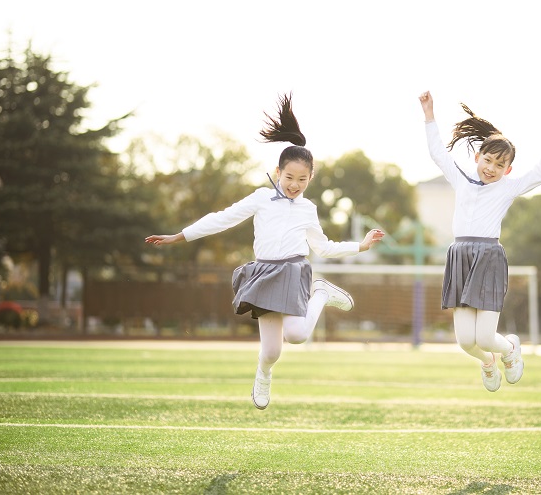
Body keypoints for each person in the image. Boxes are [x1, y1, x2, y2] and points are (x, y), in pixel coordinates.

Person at [146, 93, 385, 410]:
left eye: (302, 179)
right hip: (265, 273)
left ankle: (322, 293)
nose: (295, 185)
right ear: (277, 171)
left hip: (295, 271)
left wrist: (361, 245)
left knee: (298, 335)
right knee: (272, 351)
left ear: (310, 178)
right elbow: (223, 219)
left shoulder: (308, 209)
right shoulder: (260, 198)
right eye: (289, 177)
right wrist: (180, 235)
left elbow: (323, 247)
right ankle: (263, 374)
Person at [418, 90, 541, 392]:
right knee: (466, 342)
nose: (491, 168)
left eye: (499, 165)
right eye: (487, 160)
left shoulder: (507, 189)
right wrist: (429, 116)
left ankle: (510, 350)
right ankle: (488, 363)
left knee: (486, 337)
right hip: (460, 257)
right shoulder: (461, 179)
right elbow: (439, 152)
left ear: (508, 170)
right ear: (477, 157)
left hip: (489, 258)